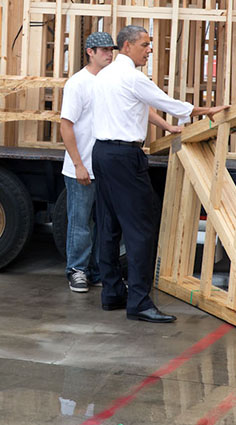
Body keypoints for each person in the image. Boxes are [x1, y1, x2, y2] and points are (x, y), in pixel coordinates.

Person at [91, 24, 226, 322]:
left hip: (102, 153)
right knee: (141, 230)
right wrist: (206, 111)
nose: (149, 50)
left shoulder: (105, 75)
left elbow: (140, 107)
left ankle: (112, 292)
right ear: (126, 47)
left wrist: (165, 127)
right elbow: (167, 103)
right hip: (124, 157)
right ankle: (139, 301)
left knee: (109, 225)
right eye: (144, 45)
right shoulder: (131, 77)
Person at [60, 31, 115, 293]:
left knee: (102, 223)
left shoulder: (111, 81)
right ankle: (76, 270)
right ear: (90, 52)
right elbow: (66, 125)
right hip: (81, 167)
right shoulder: (78, 83)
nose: (109, 54)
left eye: (111, 49)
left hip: (104, 167)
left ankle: (94, 271)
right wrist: (78, 164)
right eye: (103, 50)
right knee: (80, 223)